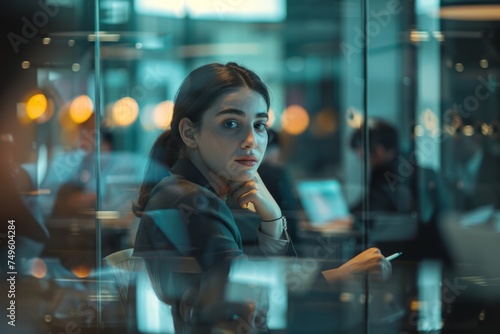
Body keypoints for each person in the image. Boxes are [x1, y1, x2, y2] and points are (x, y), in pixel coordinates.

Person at [132, 62, 391, 331]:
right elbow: (249, 300)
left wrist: (273, 219)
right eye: (231, 123)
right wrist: (342, 275)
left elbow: (257, 295)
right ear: (189, 133)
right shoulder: (191, 200)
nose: (251, 140)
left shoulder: (189, 192)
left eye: (259, 125)